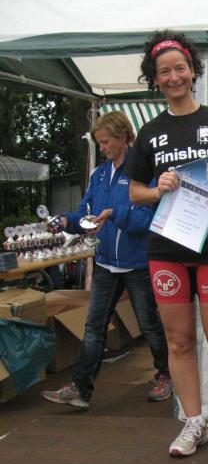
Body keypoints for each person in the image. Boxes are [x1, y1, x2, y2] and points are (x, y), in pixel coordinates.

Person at [127, 30, 208, 457]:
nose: (174, 77)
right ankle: (193, 422)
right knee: (178, 341)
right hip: (167, 249)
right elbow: (135, 193)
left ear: (193, 71)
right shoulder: (150, 133)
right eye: (164, 71)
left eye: (180, 68)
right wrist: (157, 188)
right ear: (155, 79)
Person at [41, 112, 171, 409]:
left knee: (149, 324)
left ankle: (166, 375)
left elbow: (145, 220)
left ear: (123, 137)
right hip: (105, 263)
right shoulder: (99, 174)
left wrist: (114, 214)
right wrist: (66, 221)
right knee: (94, 326)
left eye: (105, 142)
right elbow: (85, 214)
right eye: (99, 143)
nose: (102, 148)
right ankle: (81, 389)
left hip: (137, 263)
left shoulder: (143, 171)